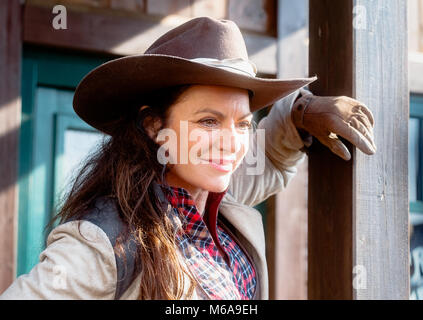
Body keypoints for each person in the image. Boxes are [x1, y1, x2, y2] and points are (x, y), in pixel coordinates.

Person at [0, 16, 376, 300]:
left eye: (242, 124)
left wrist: (302, 111)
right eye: (209, 121)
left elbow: (274, 156)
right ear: (153, 125)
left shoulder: (220, 201)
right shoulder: (105, 241)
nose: (232, 143)